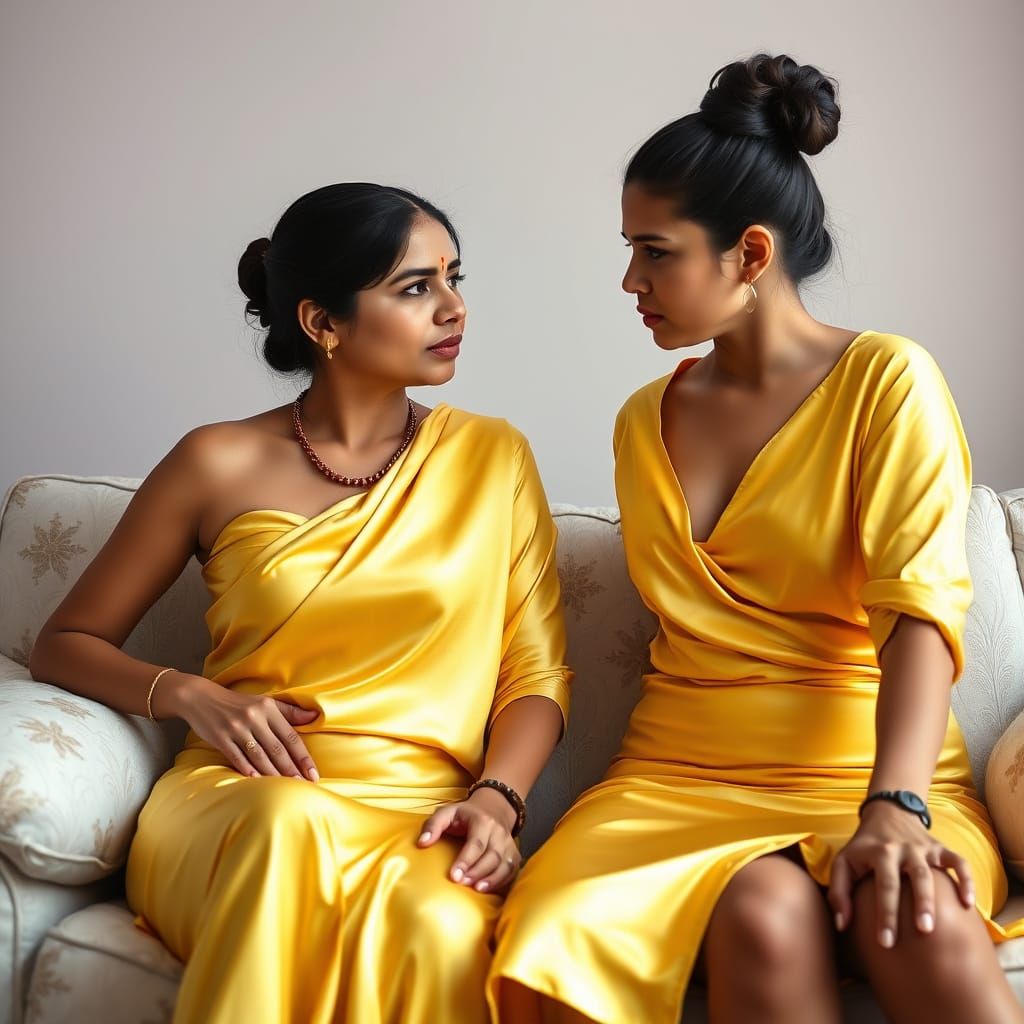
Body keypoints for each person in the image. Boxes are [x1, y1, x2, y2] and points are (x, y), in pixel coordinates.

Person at [488, 54, 1024, 1024]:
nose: (628, 280)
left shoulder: (885, 383)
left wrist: (893, 806)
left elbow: (920, 615)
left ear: (749, 254)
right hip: (670, 781)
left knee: (923, 915)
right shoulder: (640, 419)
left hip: (866, 768)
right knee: (727, 915)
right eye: (628, 249)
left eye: (655, 252)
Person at [28, 182, 571, 1024]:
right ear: (323, 323)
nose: (453, 307)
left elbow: (534, 670)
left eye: (454, 278)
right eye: (415, 287)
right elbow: (65, 642)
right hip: (244, 799)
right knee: (287, 829)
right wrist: (193, 696)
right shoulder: (215, 461)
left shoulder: (493, 458)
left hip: (419, 814)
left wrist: (495, 801)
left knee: (439, 929)